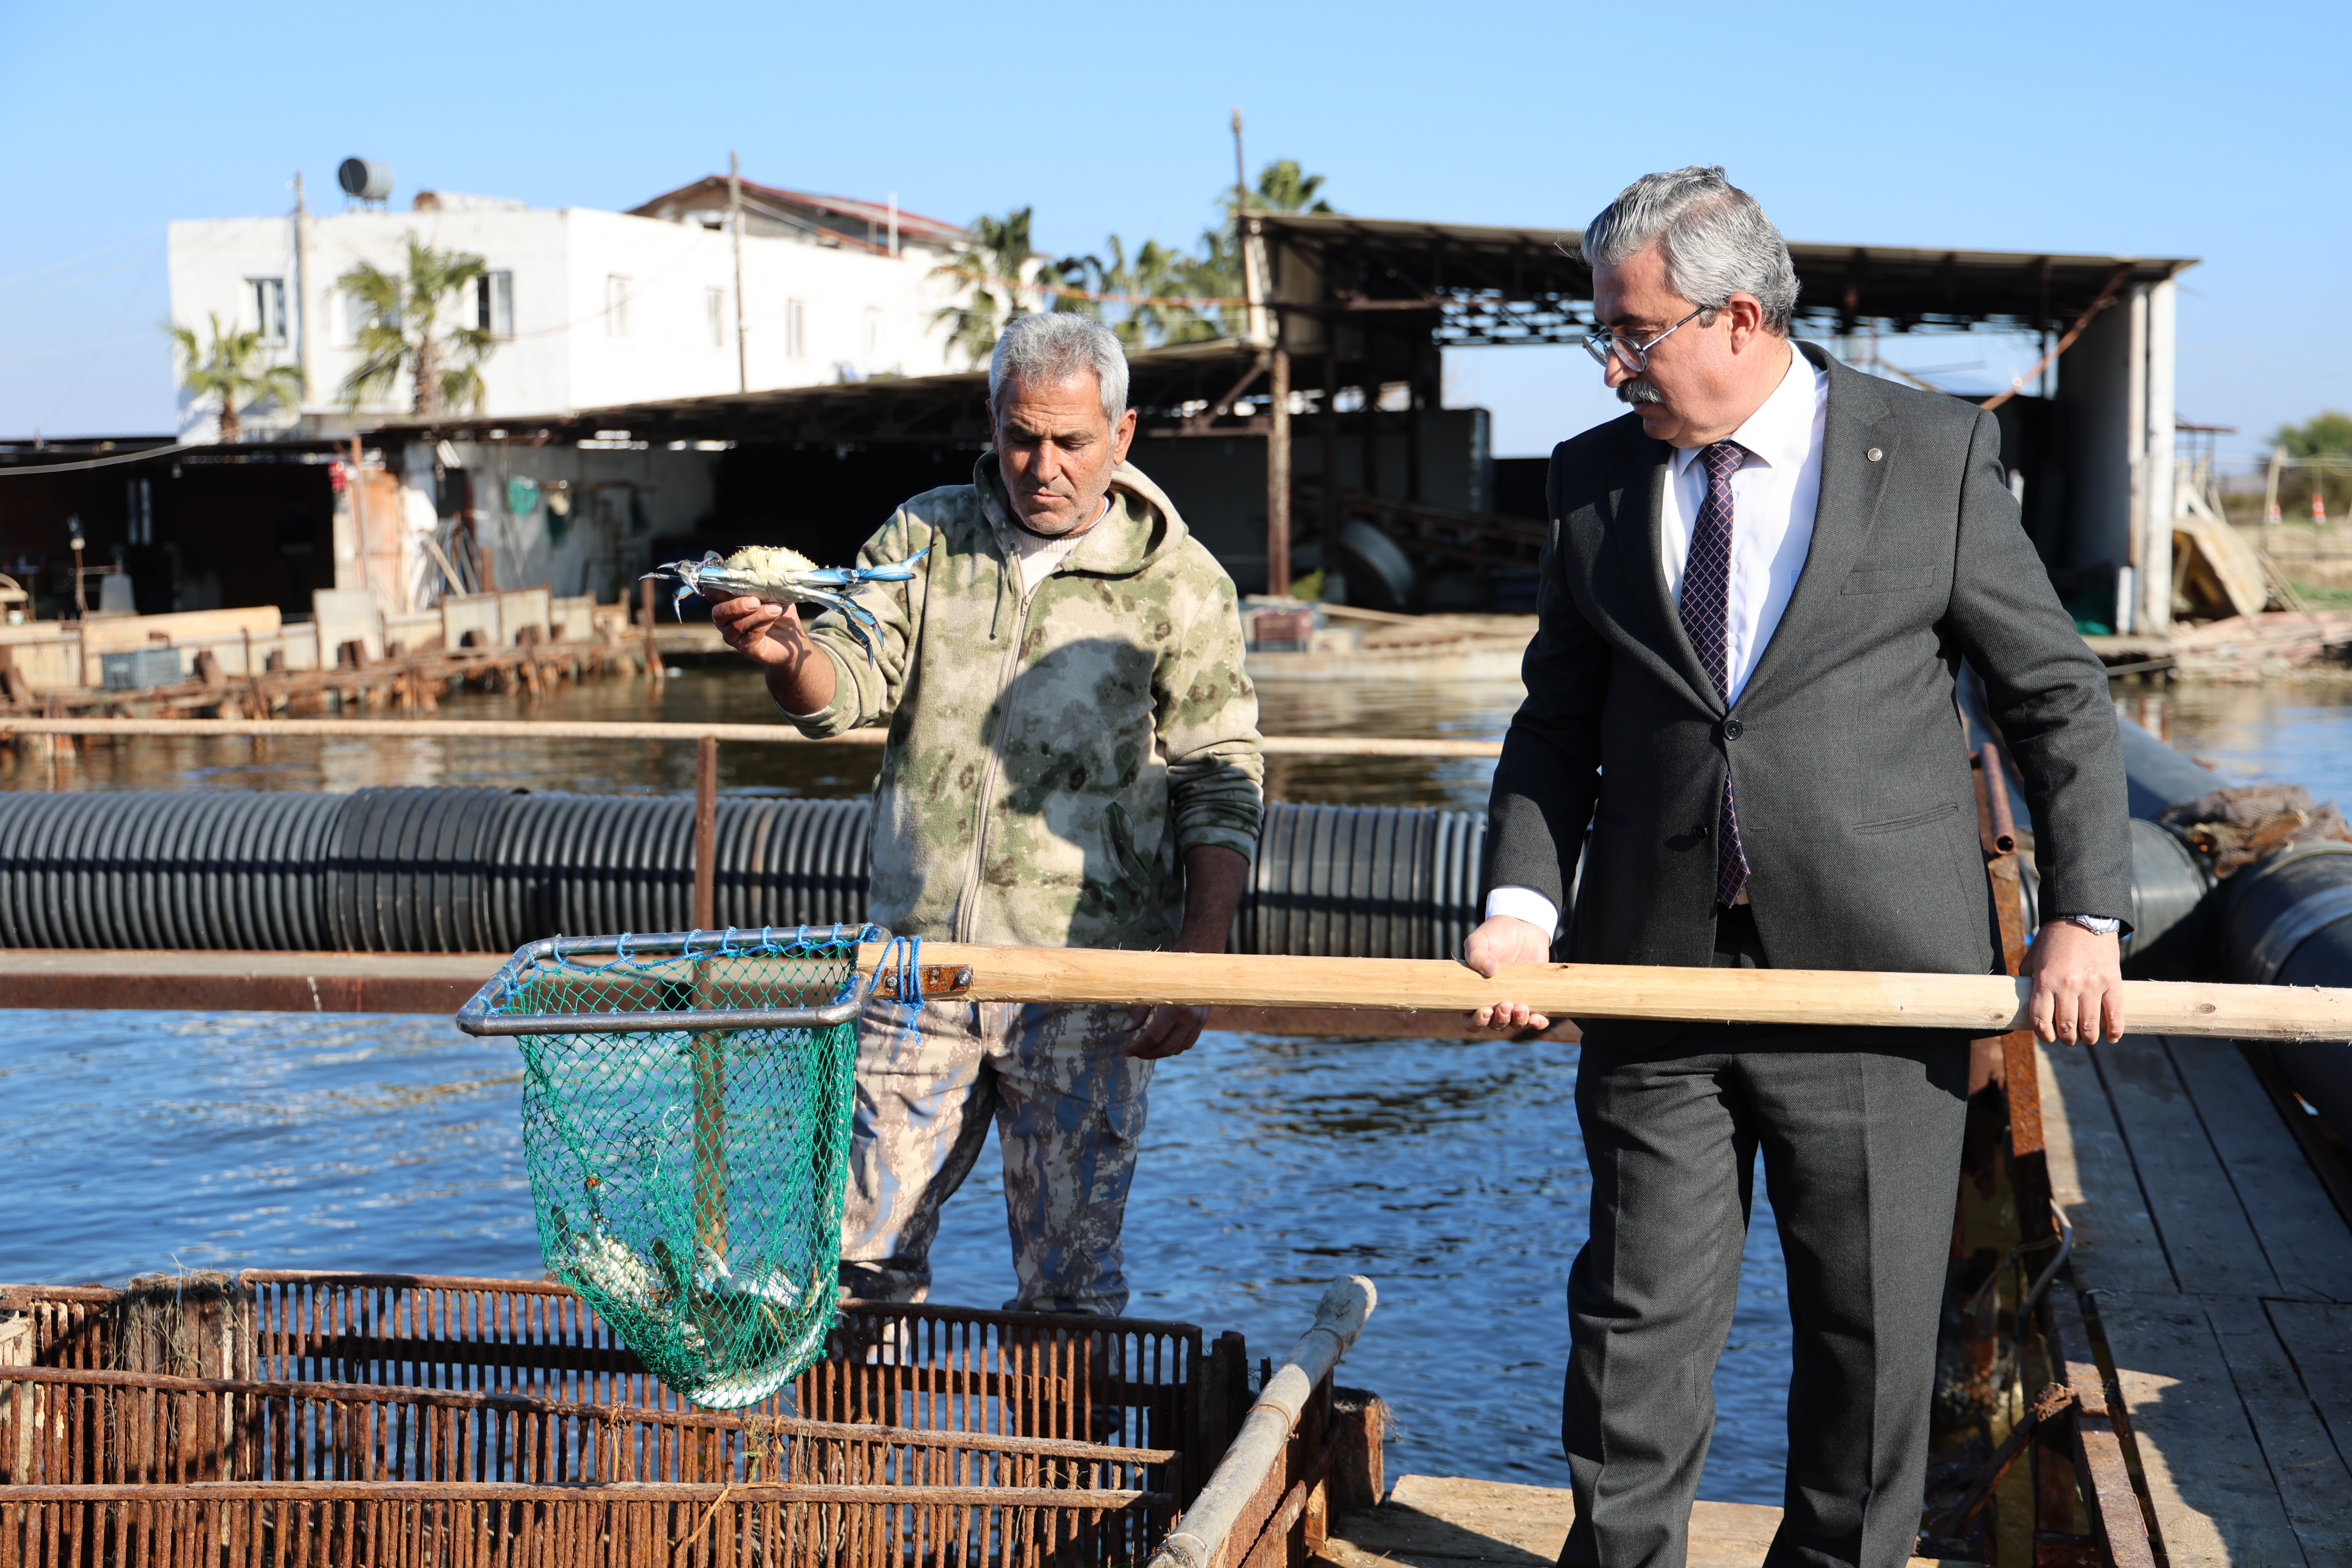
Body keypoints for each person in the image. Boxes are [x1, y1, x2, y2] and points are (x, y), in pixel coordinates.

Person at [1463, 168, 2132, 1568]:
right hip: (1656, 973)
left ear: (1739, 316)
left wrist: (2085, 915)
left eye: (1633, 332)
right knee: (1633, 1329)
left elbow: (2055, 698)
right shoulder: (1594, 481)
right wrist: (1521, 908)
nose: (1611, 361)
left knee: (1870, 1347)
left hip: (1882, 986)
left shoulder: (1933, 455)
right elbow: (1557, 720)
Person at [710, 312, 1263, 1318]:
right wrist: (789, 654)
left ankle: (1058, 1476)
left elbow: (1220, 773)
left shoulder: (1182, 586)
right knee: (852, 1269)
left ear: (1123, 434)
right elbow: (847, 692)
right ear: (992, 424)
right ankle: (847, 1468)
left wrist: (1198, 959)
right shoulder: (924, 540)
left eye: (1070, 441)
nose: (1041, 466)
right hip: (914, 975)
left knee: (1069, 1286)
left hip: (1084, 985)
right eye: (1019, 436)